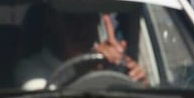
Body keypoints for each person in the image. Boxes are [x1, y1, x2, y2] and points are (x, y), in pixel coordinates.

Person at [15, 5, 147, 91]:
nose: (81, 29)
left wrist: (133, 78)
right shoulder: (32, 69)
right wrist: (90, 68)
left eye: (88, 20)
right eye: (71, 20)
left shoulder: (107, 62)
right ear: (52, 25)